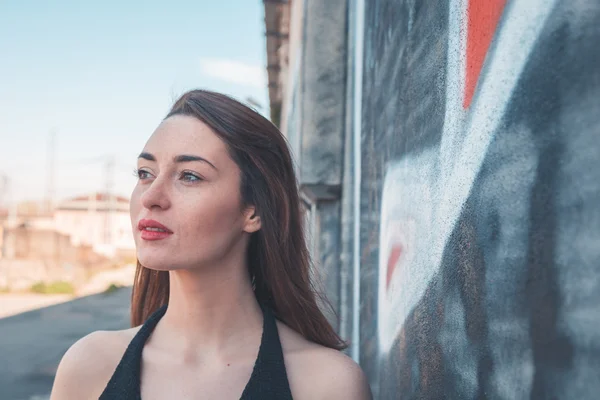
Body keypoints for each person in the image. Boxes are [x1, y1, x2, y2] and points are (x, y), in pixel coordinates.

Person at [49, 89, 372, 399]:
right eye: (145, 173)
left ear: (254, 210)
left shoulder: (325, 383)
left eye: (189, 176)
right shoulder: (90, 366)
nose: (150, 197)